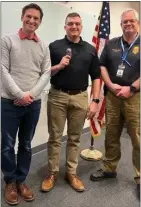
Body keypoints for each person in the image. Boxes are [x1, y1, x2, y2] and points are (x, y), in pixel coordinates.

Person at [41, 12, 101, 193]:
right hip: (57, 96)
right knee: (55, 138)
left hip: (81, 96)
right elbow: (46, 73)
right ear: (65, 26)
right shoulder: (54, 46)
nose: (74, 26)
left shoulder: (91, 49)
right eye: (70, 24)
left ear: (81, 27)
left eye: (77, 24)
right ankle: (52, 173)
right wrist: (58, 66)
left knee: (75, 138)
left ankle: (71, 173)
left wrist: (95, 101)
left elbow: (96, 76)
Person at [1, 3, 51, 205]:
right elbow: (3, 70)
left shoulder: (43, 46)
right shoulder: (7, 40)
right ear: (22, 17)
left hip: (33, 104)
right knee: (7, 145)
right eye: (29, 16)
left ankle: (21, 181)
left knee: (27, 145)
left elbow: (46, 72)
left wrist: (30, 95)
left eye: (36, 18)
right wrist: (19, 94)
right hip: (9, 102)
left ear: (40, 22)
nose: (32, 21)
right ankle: (10, 182)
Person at [90, 8, 140, 197]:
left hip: (134, 97)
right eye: (124, 22)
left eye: (131, 21)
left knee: (137, 137)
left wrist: (131, 88)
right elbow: (102, 65)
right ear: (121, 25)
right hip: (112, 97)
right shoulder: (111, 44)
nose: (128, 24)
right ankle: (110, 168)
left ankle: (140, 176)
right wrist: (110, 85)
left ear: (137, 23)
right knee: (111, 133)